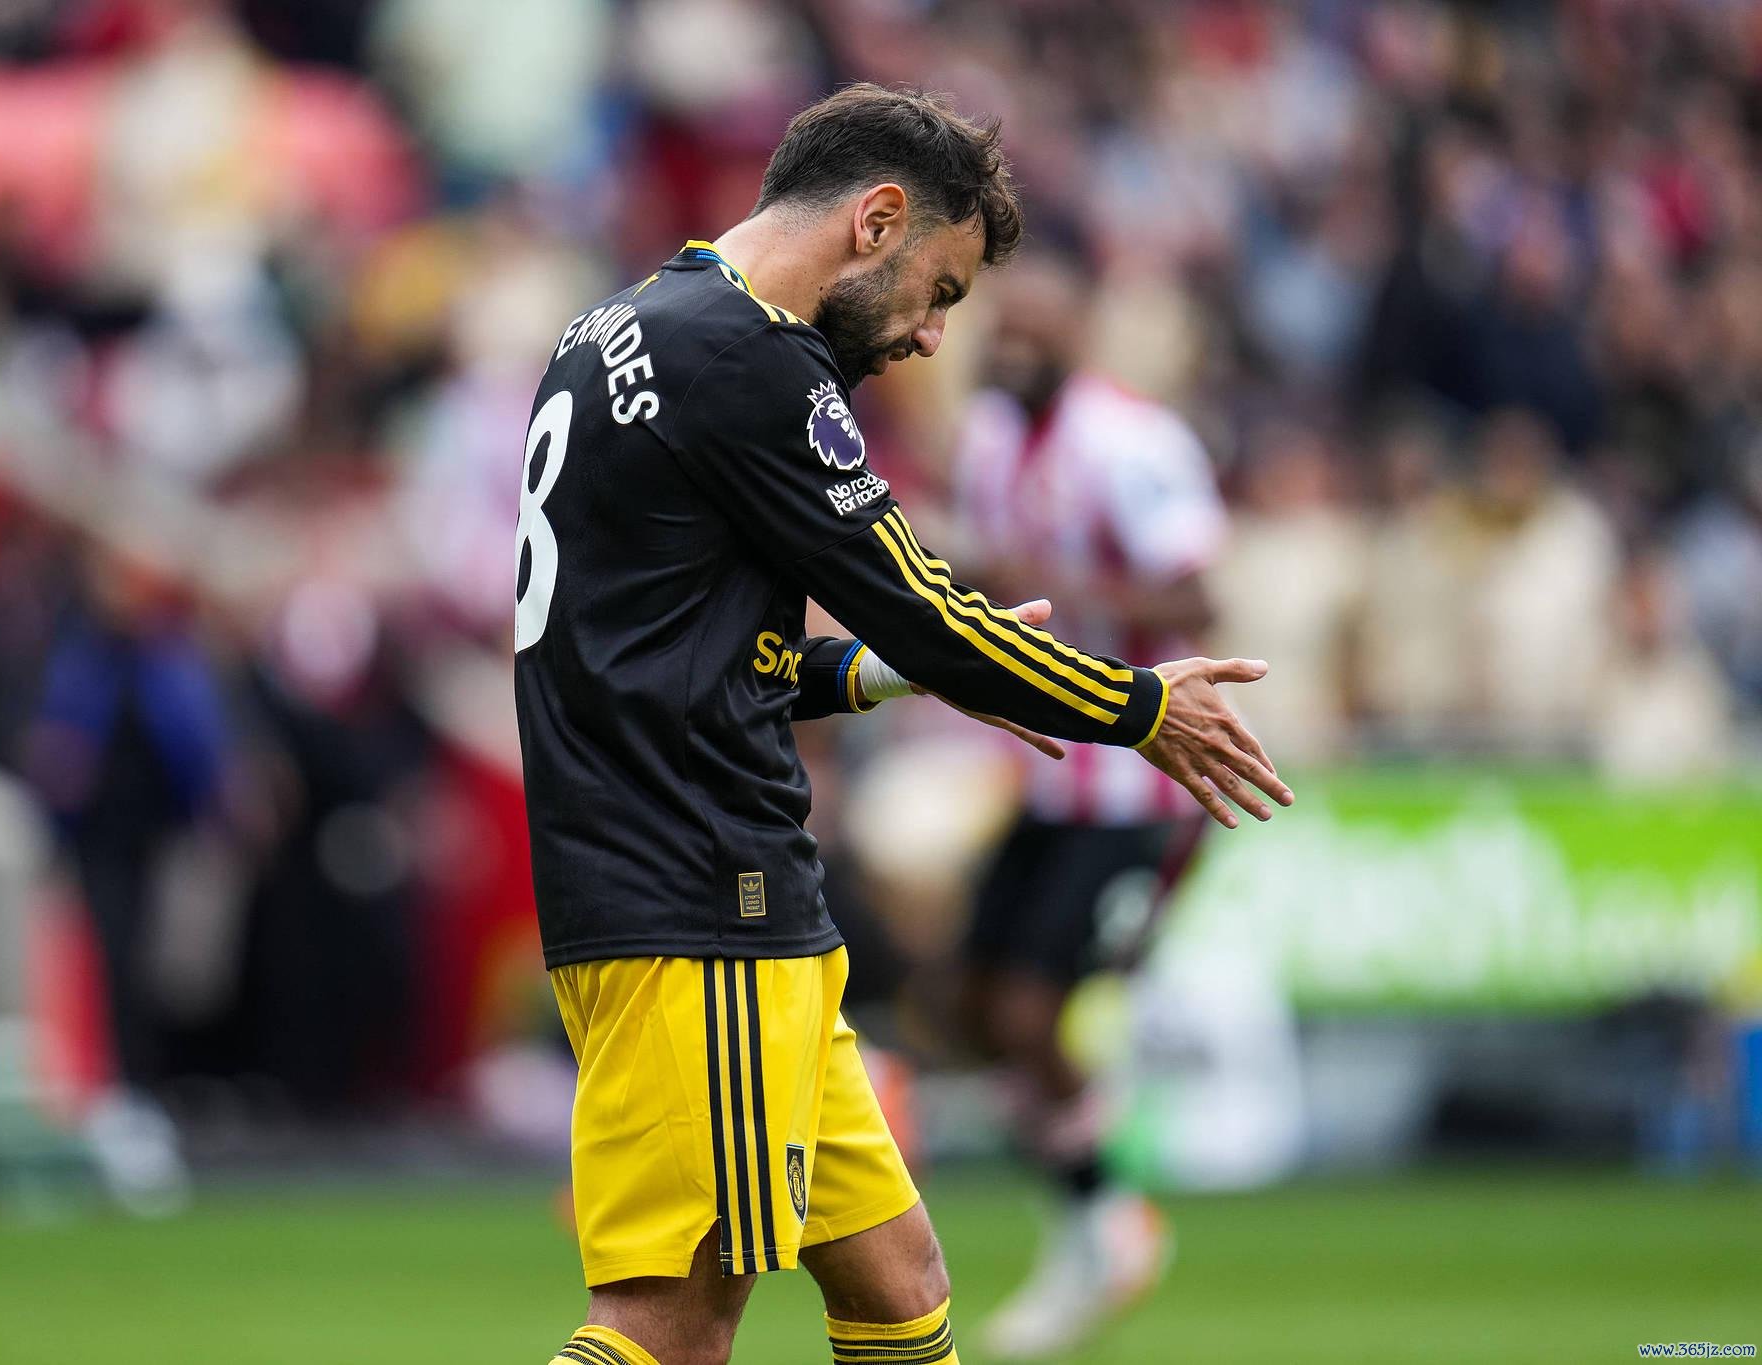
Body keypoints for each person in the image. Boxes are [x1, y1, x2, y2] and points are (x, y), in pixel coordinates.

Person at [514, 84, 1290, 1365]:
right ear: (875, 220)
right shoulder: (750, 358)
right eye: (939, 291)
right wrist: (1140, 704)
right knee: (669, 1326)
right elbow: (926, 604)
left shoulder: (620, 326)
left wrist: (882, 678)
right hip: (700, 896)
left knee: (897, 1286)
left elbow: (690, 651)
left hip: (704, 888)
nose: (933, 337)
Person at [947, 255, 1226, 1358]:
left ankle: (1107, 1220)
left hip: (1133, 776)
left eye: (1035, 327)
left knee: (1027, 1012)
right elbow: (986, 574)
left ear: (1076, 335)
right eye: (1000, 326)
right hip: (1046, 774)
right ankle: (1089, 1220)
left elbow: (1196, 593)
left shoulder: (1130, 443)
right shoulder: (985, 439)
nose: (1012, 345)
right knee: (969, 1007)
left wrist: (1067, 592)